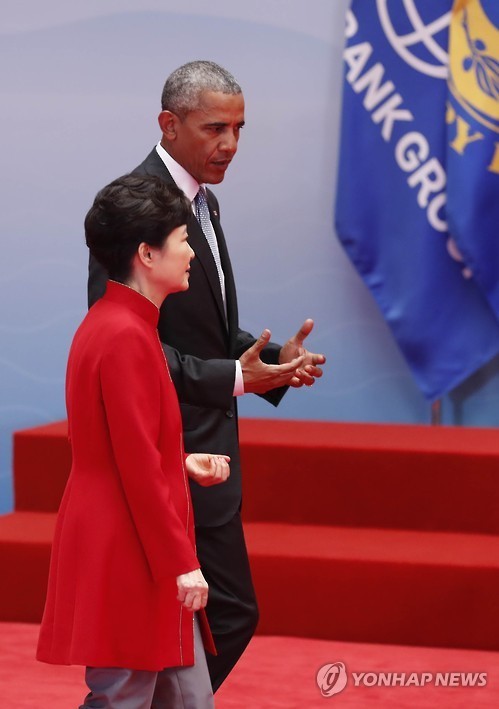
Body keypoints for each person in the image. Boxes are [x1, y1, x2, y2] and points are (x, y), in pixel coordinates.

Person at [88, 60, 326, 692]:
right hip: (168, 456)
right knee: (212, 617)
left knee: (219, 617)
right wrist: (235, 379)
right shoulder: (133, 209)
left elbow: (208, 336)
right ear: (169, 124)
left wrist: (270, 365)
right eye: (215, 127)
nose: (231, 145)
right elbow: (128, 345)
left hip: (208, 455)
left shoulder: (204, 201)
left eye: (240, 128)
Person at [38, 174, 233, 708]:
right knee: (123, 696)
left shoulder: (117, 323)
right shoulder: (125, 334)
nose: (191, 251)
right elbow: (132, 465)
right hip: (126, 546)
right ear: (147, 254)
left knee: (186, 695)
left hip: (131, 535)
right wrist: (181, 563)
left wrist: (182, 461)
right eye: (182, 239)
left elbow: (123, 443)